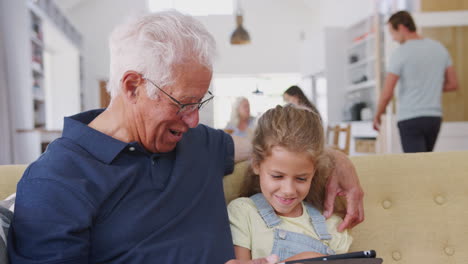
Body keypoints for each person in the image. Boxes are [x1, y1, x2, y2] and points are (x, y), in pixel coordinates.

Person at [7, 11, 363, 264]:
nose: (193, 121)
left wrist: (334, 158)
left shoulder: (197, 142)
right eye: (183, 103)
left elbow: (274, 147)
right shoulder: (55, 180)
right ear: (133, 86)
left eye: (200, 103)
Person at [228, 105, 352, 262]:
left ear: (314, 173)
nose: (288, 190)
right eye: (277, 176)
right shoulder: (243, 212)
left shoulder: (331, 225)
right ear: (257, 165)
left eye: (301, 179)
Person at [373, 10, 458, 153]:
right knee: (425, 161)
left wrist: (378, 115)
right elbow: (453, 84)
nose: (393, 38)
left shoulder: (400, 53)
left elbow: (387, 92)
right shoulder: (439, 49)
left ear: (401, 27)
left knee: (415, 166)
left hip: (410, 119)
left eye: (392, 32)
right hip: (433, 118)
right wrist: (431, 86)